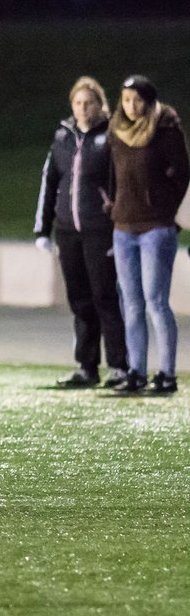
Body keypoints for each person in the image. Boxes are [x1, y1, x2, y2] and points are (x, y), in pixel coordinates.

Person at [33, 76, 129, 388]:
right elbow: (50, 182)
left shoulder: (112, 137)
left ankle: (119, 367)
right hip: (68, 232)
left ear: (101, 105)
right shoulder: (63, 136)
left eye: (89, 102)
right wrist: (42, 229)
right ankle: (87, 367)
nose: (83, 108)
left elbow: (121, 184)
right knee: (80, 299)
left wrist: (117, 222)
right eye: (78, 103)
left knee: (105, 296)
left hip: (100, 230)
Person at [107, 74, 188, 394]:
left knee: (156, 301)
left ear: (149, 101)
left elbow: (183, 174)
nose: (131, 106)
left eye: (137, 99)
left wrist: (167, 210)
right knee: (131, 302)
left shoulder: (165, 129)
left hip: (156, 226)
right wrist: (113, 206)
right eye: (126, 99)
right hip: (123, 227)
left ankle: (167, 374)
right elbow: (113, 174)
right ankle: (136, 372)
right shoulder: (117, 130)